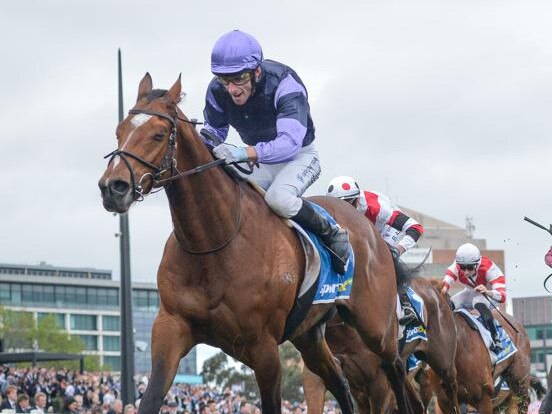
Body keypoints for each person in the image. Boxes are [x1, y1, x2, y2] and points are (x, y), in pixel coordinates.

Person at [201, 29, 351, 274]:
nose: (232, 89)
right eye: (224, 79)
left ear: (256, 72)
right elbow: (215, 130)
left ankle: (331, 231)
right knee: (227, 197)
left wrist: (241, 153)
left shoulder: (285, 83)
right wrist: (205, 143)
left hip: (299, 156)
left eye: (239, 78)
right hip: (258, 161)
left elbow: (289, 143)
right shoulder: (217, 90)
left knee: (279, 200)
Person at [326, 175, 424, 324]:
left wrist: (397, 250)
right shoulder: (331, 210)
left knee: (386, 257)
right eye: (338, 206)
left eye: (346, 205)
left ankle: (406, 305)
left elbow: (415, 228)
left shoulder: (377, 209)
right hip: (364, 233)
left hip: (387, 231)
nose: (342, 211)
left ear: (357, 200)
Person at [440, 242, 506, 348]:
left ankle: (495, 336)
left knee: (478, 302)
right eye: (462, 267)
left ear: (477, 264)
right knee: (449, 304)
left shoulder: (490, 269)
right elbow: (448, 279)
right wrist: (444, 288)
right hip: (470, 292)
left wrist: (487, 291)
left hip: (489, 296)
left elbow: (503, 296)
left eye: (470, 268)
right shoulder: (457, 265)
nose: (465, 272)